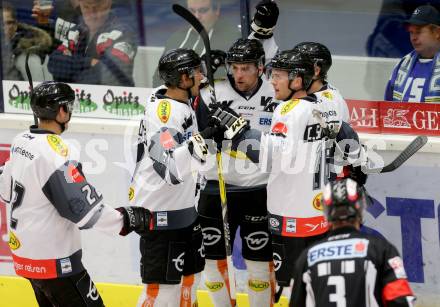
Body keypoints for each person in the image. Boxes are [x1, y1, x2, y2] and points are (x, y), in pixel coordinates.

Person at [208, 49, 364, 300]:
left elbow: (270, 157)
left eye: (278, 76)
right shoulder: (327, 104)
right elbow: (350, 146)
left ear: (298, 80)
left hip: (291, 217)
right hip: (320, 215)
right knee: (319, 286)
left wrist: (239, 132)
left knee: (296, 290)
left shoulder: (288, 110)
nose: (272, 81)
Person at [0, 81, 150, 306]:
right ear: (61, 111)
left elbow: (5, 192)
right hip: (55, 261)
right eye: (68, 106)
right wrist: (125, 220)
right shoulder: (56, 152)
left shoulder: (20, 142)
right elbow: (83, 210)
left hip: (25, 258)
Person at [129, 48, 226, 306]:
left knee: (188, 285)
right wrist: (202, 139)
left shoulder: (179, 102)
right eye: (197, 72)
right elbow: (168, 168)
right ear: (183, 78)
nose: (202, 77)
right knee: (161, 293)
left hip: (182, 210)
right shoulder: (165, 112)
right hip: (161, 213)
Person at [197, 37, 278, 307]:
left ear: (260, 67)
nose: (239, 74)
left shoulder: (275, 91)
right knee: (213, 261)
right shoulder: (212, 91)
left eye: (246, 68)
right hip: (216, 187)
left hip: (259, 189)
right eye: (235, 67)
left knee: (259, 266)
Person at [289, 178, 416, 307]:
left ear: (327, 213)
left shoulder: (307, 257)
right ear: (361, 208)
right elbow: (401, 300)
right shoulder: (381, 249)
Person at [48, 0, 137, 86]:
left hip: (115, 99)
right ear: (80, 6)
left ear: (108, 4)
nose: (91, 14)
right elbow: (54, 63)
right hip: (78, 97)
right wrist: (89, 62)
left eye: (97, 8)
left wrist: (69, 70)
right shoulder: (76, 31)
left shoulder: (123, 33)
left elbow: (108, 74)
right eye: (86, 7)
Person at [152, 0, 240, 87]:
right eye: (192, 11)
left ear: (216, 9)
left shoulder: (232, 38)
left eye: (203, 10)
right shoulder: (177, 37)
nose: (196, 16)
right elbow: (158, 78)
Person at [384, 4, 440, 102]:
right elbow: (387, 108)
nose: (413, 38)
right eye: (411, 32)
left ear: (437, 32)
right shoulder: (402, 65)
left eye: (418, 32)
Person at [292, 42, 349, 123]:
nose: (291, 75)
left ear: (316, 71)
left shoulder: (334, 102)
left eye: (298, 69)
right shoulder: (291, 92)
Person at [2, 1, 52, 81]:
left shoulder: (28, 60)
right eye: (1, 23)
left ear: (15, 26)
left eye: (8, 23)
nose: (3, 28)